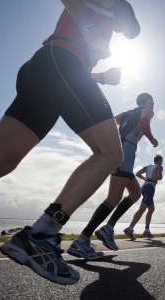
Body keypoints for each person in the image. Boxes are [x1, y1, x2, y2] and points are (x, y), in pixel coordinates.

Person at [0, 0, 141, 285]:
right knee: (110, 153)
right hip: (61, 62)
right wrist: (92, 29)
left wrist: (100, 76)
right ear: (125, 9)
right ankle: (42, 235)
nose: (122, 30)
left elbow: (70, 53)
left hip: (47, 67)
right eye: (126, 23)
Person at [67, 92, 158, 258]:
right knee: (113, 198)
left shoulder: (126, 113)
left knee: (135, 193)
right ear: (148, 101)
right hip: (126, 153)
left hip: (120, 151)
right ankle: (81, 241)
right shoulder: (148, 111)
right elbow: (144, 124)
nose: (153, 104)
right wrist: (152, 140)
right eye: (153, 101)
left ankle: (108, 228)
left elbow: (108, 123)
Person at [123, 154, 164, 240]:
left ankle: (147, 231)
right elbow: (159, 177)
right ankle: (130, 228)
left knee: (151, 209)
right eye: (161, 161)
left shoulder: (147, 167)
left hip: (144, 187)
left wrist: (145, 178)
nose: (161, 163)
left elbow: (137, 174)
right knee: (142, 209)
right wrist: (158, 174)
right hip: (150, 188)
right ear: (159, 161)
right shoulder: (159, 167)